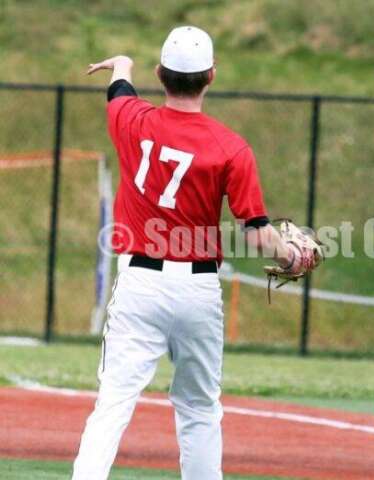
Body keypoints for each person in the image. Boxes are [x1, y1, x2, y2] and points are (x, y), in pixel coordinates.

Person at [73, 26, 316, 479]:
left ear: (160, 74)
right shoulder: (231, 147)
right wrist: (291, 257)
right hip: (199, 288)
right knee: (199, 409)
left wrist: (121, 63)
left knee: (112, 404)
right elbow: (258, 236)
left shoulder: (131, 119)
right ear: (211, 77)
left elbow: (119, 90)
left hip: (140, 283)